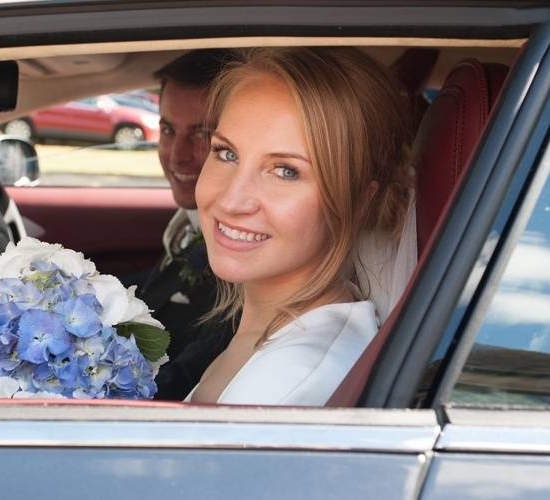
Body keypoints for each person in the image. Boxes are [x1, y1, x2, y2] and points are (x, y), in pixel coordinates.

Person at [187, 47, 415, 406]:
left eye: (286, 171)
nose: (231, 200)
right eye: (227, 154)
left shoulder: (291, 381)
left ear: (359, 200)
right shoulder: (273, 336)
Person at [127, 50, 236, 400]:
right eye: (168, 130)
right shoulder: (187, 226)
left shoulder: (242, 256)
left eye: (202, 134)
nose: (177, 155)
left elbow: (182, 382)